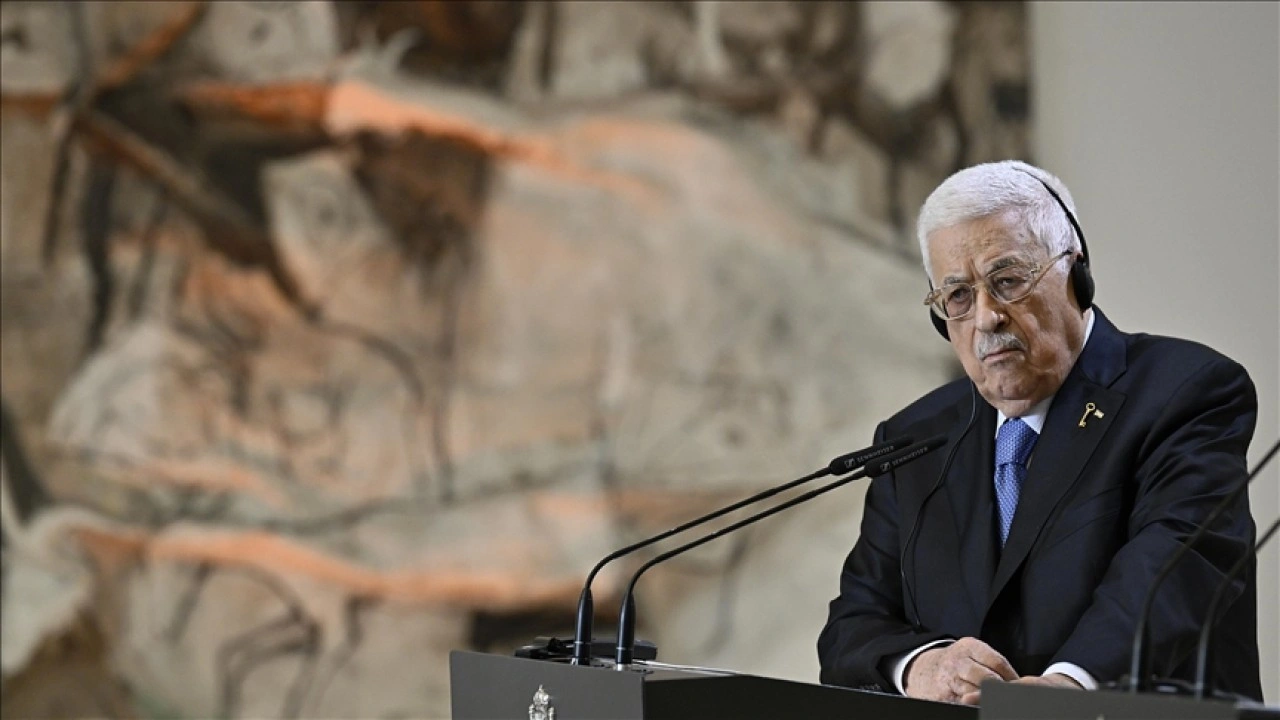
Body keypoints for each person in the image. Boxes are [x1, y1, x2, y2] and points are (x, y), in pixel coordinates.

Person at [817, 160, 1261, 704]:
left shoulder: (1186, 391)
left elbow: (1176, 568)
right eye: (958, 297)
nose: (986, 317)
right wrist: (921, 666)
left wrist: (1065, 687)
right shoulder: (914, 438)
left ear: (1076, 275)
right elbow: (853, 625)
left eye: (1007, 281)